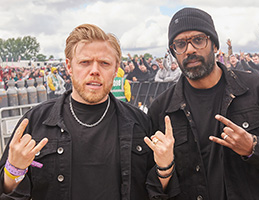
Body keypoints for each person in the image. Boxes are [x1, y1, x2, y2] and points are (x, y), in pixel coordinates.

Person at [144, 7, 259, 200]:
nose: (190, 49)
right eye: (180, 44)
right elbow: (151, 185)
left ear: (215, 46)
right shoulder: (162, 110)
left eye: (198, 40)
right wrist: (164, 169)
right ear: (174, 53)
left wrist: (253, 149)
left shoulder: (257, 90)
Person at [0, 24, 168, 200]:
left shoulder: (139, 123)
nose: (94, 70)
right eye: (85, 62)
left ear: (115, 69)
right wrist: (14, 171)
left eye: (104, 63)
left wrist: (166, 167)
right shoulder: (35, 122)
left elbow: (156, 190)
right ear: (69, 67)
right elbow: (6, 191)